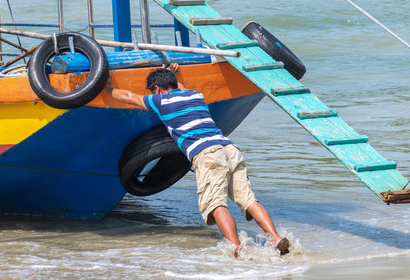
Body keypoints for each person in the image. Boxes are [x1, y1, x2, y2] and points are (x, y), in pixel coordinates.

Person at [106, 63, 289, 257]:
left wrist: (106, 87)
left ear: (157, 89)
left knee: (216, 205)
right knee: (249, 200)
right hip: (229, 148)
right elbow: (181, 88)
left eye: (153, 91)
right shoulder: (195, 95)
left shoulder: (160, 101)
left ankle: (237, 249)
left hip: (207, 154)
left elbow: (128, 97)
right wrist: (173, 75)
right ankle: (276, 238)